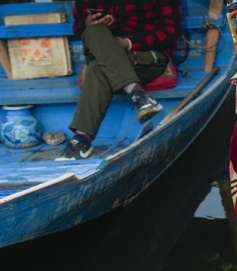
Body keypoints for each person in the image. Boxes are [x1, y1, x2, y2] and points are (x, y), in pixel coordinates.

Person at [59, 0, 181, 160]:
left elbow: (170, 32)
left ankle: (81, 139)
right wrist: (88, 24)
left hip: (144, 56)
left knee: (97, 68)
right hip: (103, 51)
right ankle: (138, 95)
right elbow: (79, 28)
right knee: (92, 31)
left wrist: (128, 43)